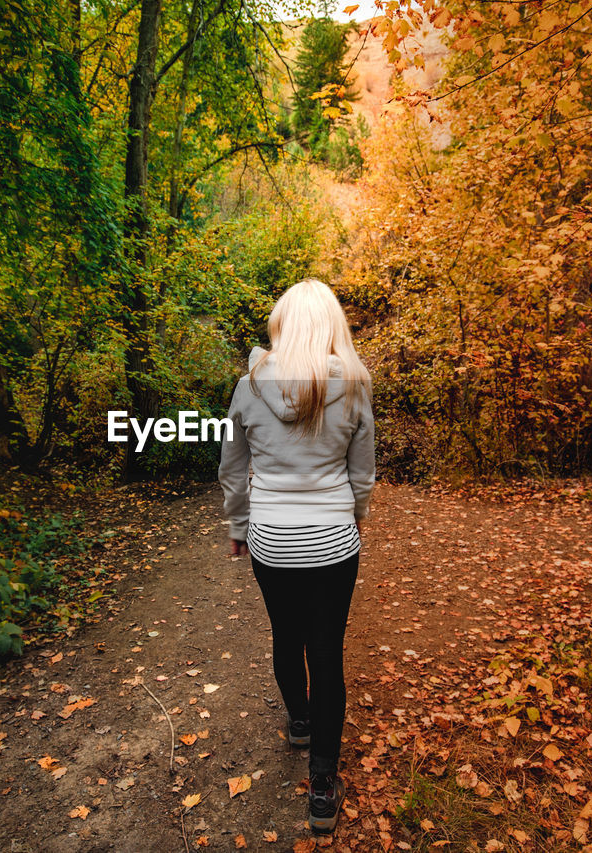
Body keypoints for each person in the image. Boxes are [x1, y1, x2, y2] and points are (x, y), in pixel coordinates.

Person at [218, 278, 375, 834]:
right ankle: (323, 788)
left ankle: (302, 722)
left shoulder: (247, 387)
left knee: (286, 635)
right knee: (326, 651)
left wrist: (240, 526)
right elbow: (362, 472)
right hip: (333, 540)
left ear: (281, 324)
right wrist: (354, 517)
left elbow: (233, 470)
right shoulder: (355, 387)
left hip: (272, 541)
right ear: (331, 326)